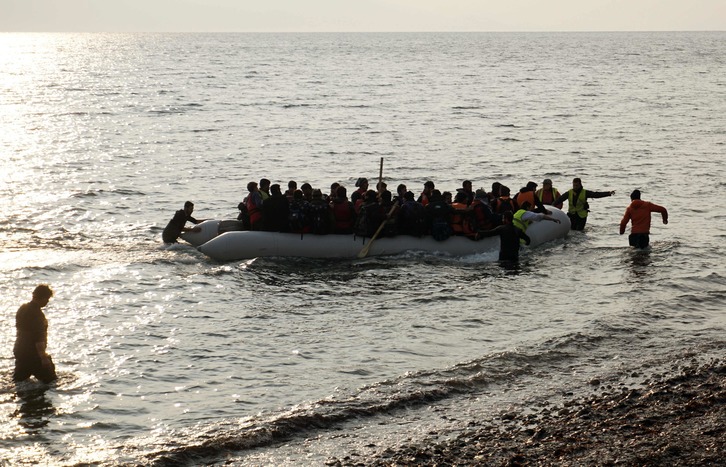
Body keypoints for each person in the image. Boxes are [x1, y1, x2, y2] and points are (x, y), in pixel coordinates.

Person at [14, 284, 57, 384]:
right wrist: (43, 358)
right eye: (47, 299)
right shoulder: (38, 315)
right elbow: (38, 338)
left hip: (19, 350)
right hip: (33, 354)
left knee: (19, 382)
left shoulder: (22, 308)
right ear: (43, 298)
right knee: (51, 382)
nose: (47, 302)